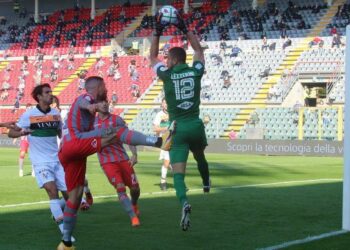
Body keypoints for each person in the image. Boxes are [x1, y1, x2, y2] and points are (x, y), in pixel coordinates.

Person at [57, 76, 173, 249]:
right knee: (116, 132)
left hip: (70, 152)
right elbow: (85, 101)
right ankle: (158, 142)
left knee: (75, 196)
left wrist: (94, 108)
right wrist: (93, 106)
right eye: (104, 86)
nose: (107, 90)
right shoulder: (86, 97)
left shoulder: (96, 110)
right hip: (76, 142)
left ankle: (65, 242)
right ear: (97, 87)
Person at [150, 13, 210, 231]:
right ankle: (206, 183)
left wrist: (157, 32)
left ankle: (184, 201)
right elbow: (199, 51)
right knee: (200, 155)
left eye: (168, 59)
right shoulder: (195, 72)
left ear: (173, 60)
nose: (165, 61)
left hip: (177, 129)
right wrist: (185, 28)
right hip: (195, 124)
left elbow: (152, 57)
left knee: (178, 175)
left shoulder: (166, 75)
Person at [8, 84, 75, 242]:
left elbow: (61, 133)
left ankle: (57, 210)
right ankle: (65, 233)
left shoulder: (55, 114)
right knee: (52, 190)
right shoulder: (29, 115)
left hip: (56, 160)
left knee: (71, 197)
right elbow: (11, 132)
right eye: (47, 92)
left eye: (51, 92)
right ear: (38, 96)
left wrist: (67, 145)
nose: (50, 94)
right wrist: (23, 132)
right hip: (40, 162)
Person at [95, 100, 141, 227]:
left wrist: (134, 154)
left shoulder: (117, 120)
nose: (104, 104)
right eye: (101, 102)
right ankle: (133, 217)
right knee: (120, 187)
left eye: (106, 102)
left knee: (135, 188)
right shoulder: (92, 124)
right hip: (107, 162)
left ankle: (134, 203)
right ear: (96, 105)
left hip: (123, 159)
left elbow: (128, 136)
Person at [153, 98, 171, 191]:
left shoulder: (174, 113)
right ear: (162, 104)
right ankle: (163, 181)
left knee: (176, 163)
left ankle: (171, 166)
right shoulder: (159, 115)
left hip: (175, 140)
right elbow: (155, 129)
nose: (166, 104)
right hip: (165, 141)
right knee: (166, 162)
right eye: (164, 102)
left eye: (167, 102)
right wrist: (165, 129)